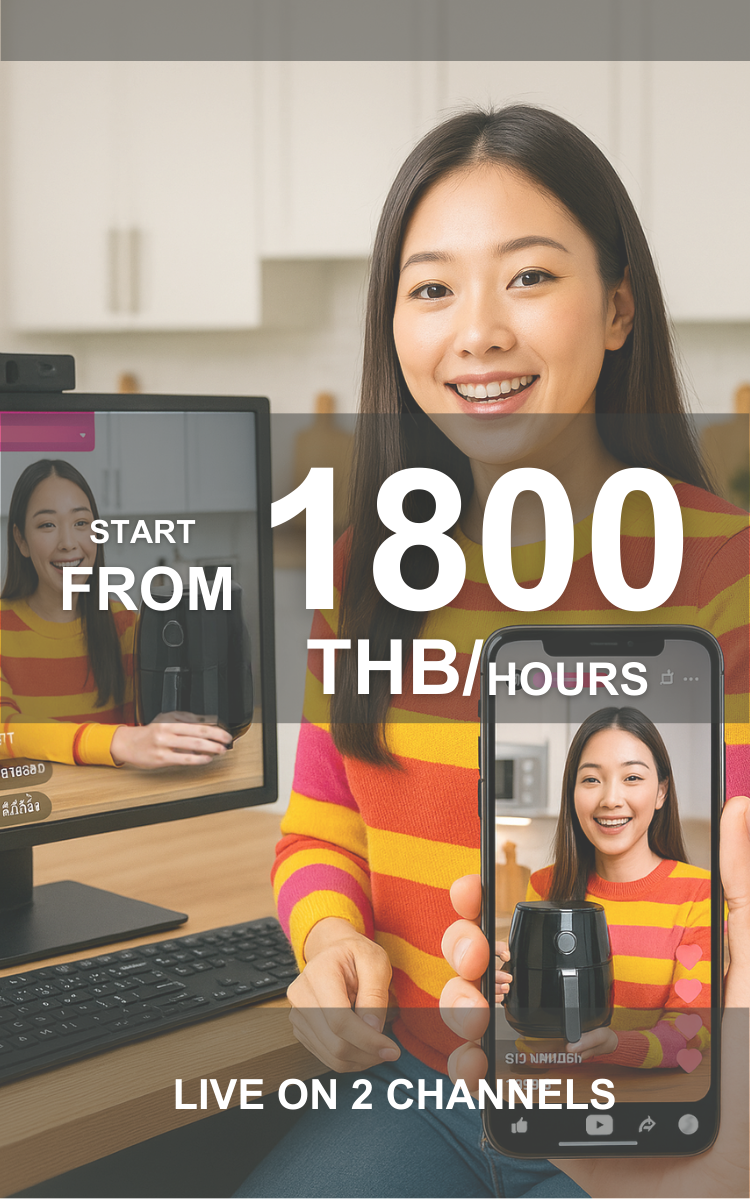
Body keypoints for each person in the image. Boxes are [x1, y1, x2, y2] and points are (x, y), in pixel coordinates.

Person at [236, 105, 749, 1198]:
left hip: (645, 1101)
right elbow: (322, 818)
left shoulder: (723, 566)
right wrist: (329, 942)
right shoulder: (360, 569)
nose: (477, 333)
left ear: (616, 309)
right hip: (419, 1087)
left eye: (527, 278)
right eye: (432, 289)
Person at [497, 707, 710, 1071]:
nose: (610, 799)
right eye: (592, 780)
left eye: (631, 778)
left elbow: (693, 1032)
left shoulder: (698, 893)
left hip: (653, 1107)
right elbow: (534, 1047)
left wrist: (614, 1045)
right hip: (555, 1099)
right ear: (573, 792)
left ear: (661, 792)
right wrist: (512, 995)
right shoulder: (543, 887)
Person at [0, 459, 231, 769]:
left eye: (81, 523)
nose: (68, 543)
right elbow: (7, 731)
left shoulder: (124, 622)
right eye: (47, 525)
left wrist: (168, 724)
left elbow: (144, 729)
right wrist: (118, 741)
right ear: (21, 540)